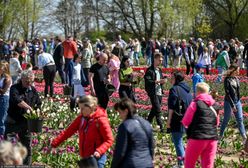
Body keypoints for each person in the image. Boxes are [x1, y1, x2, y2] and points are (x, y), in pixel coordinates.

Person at [51, 95, 114, 168]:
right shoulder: (81, 119)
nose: (80, 111)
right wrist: (54, 143)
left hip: (97, 158)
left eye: (83, 108)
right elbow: (68, 132)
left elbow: (109, 139)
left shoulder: (100, 120)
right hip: (85, 158)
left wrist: (99, 151)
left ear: (91, 107)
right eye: (80, 108)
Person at [5, 70, 41, 165]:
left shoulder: (32, 89)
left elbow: (38, 103)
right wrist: (29, 107)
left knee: (27, 146)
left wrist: (38, 112)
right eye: (27, 81)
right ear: (22, 79)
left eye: (31, 81)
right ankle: (7, 165)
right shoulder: (14, 88)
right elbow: (17, 100)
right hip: (13, 121)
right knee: (9, 145)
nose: (29, 83)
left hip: (26, 123)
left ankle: (26, 165)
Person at [182, 82, 220, 168]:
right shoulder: (215, 105)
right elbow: (217, 123)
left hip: (197, 137)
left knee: (189, 164)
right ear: (208, 92)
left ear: (197, 92)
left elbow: (185, 121)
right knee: (208, 165)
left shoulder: (195, 104)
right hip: (212, 138)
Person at [111, 98, 154, 168]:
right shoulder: (146, 124)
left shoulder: (125, 126)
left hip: (131, 163)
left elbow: (120, 151)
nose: (119, 116)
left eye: (120, 112)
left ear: (126, 111)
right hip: (147, 163)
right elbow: (151, 146)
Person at [166, 71, 193, 167]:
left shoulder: (174, 89)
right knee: (181, 141)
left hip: (177, 119)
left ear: (176, 79)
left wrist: (168, 121)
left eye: (172, 77)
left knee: (177, 141)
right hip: (188, 118)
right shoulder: (187, 89)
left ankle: (182, 163)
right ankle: (187, 161)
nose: (170, 79)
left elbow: (171, 107)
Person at [220, 63, 247, 143]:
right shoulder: (227, 80)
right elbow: (227, 93)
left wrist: (238, 102)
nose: (239, 72)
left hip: (237, 101)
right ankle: (220, 136)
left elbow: (237, 92)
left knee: (240, 119)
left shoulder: (236, 79)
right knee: (226, 119)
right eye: (237, 70)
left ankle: (244, 137)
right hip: (228, 102)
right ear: (233, 70)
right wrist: (232, 105)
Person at [144, 53, 166, 132]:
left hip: (159, 92)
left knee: (154, 109)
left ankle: (146, 124)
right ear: (155, 59)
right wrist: (158, 81)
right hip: (153, 92)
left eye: (161, 60)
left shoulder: (159, 70)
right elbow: (148, 81)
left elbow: (161, 79)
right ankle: (161, 128)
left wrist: (163, 81)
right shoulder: (150, 70)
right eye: (160, 60)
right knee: (158, 110)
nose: (161, 61)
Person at [0, 62, 12, 136]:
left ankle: (2, 135)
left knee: (2, 118)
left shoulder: (7, 79)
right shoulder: (1, 76)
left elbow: (3, 91)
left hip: (4, 98)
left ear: (5, 69)